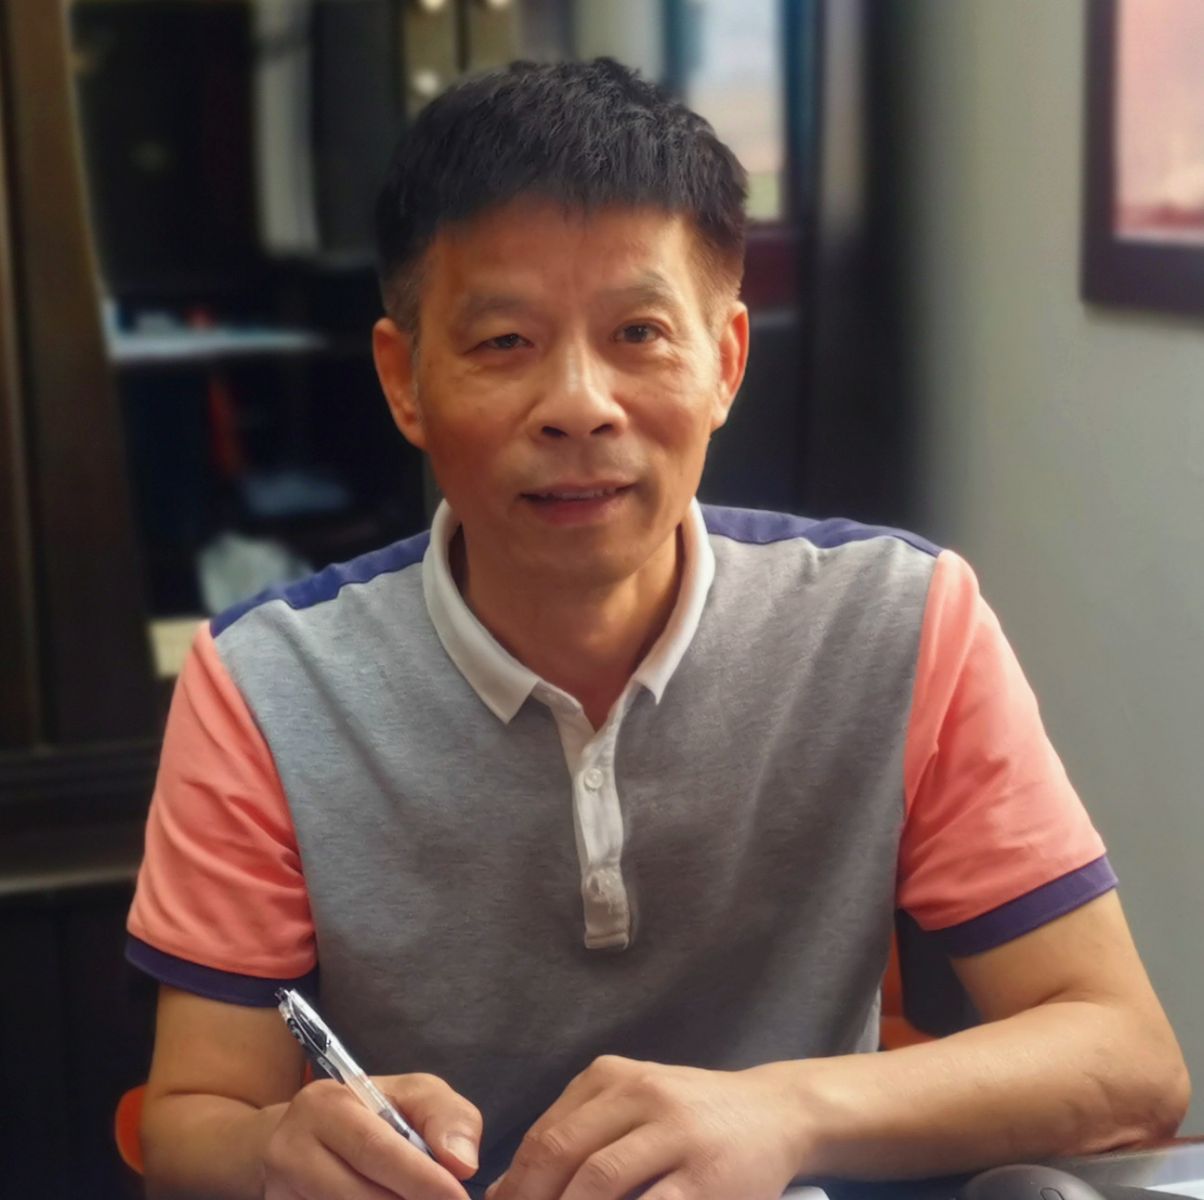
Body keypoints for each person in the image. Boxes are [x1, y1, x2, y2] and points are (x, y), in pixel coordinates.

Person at [126, 58, 1188, 1200]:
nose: (579, 405)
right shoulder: (266, 685)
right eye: (503, 342)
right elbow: (193, 1117)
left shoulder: (900, 619)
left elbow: (1127, 1061)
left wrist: (784, 1111)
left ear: (724, 361)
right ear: (405, 381)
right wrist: (277, 1150)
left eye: (639, 332)